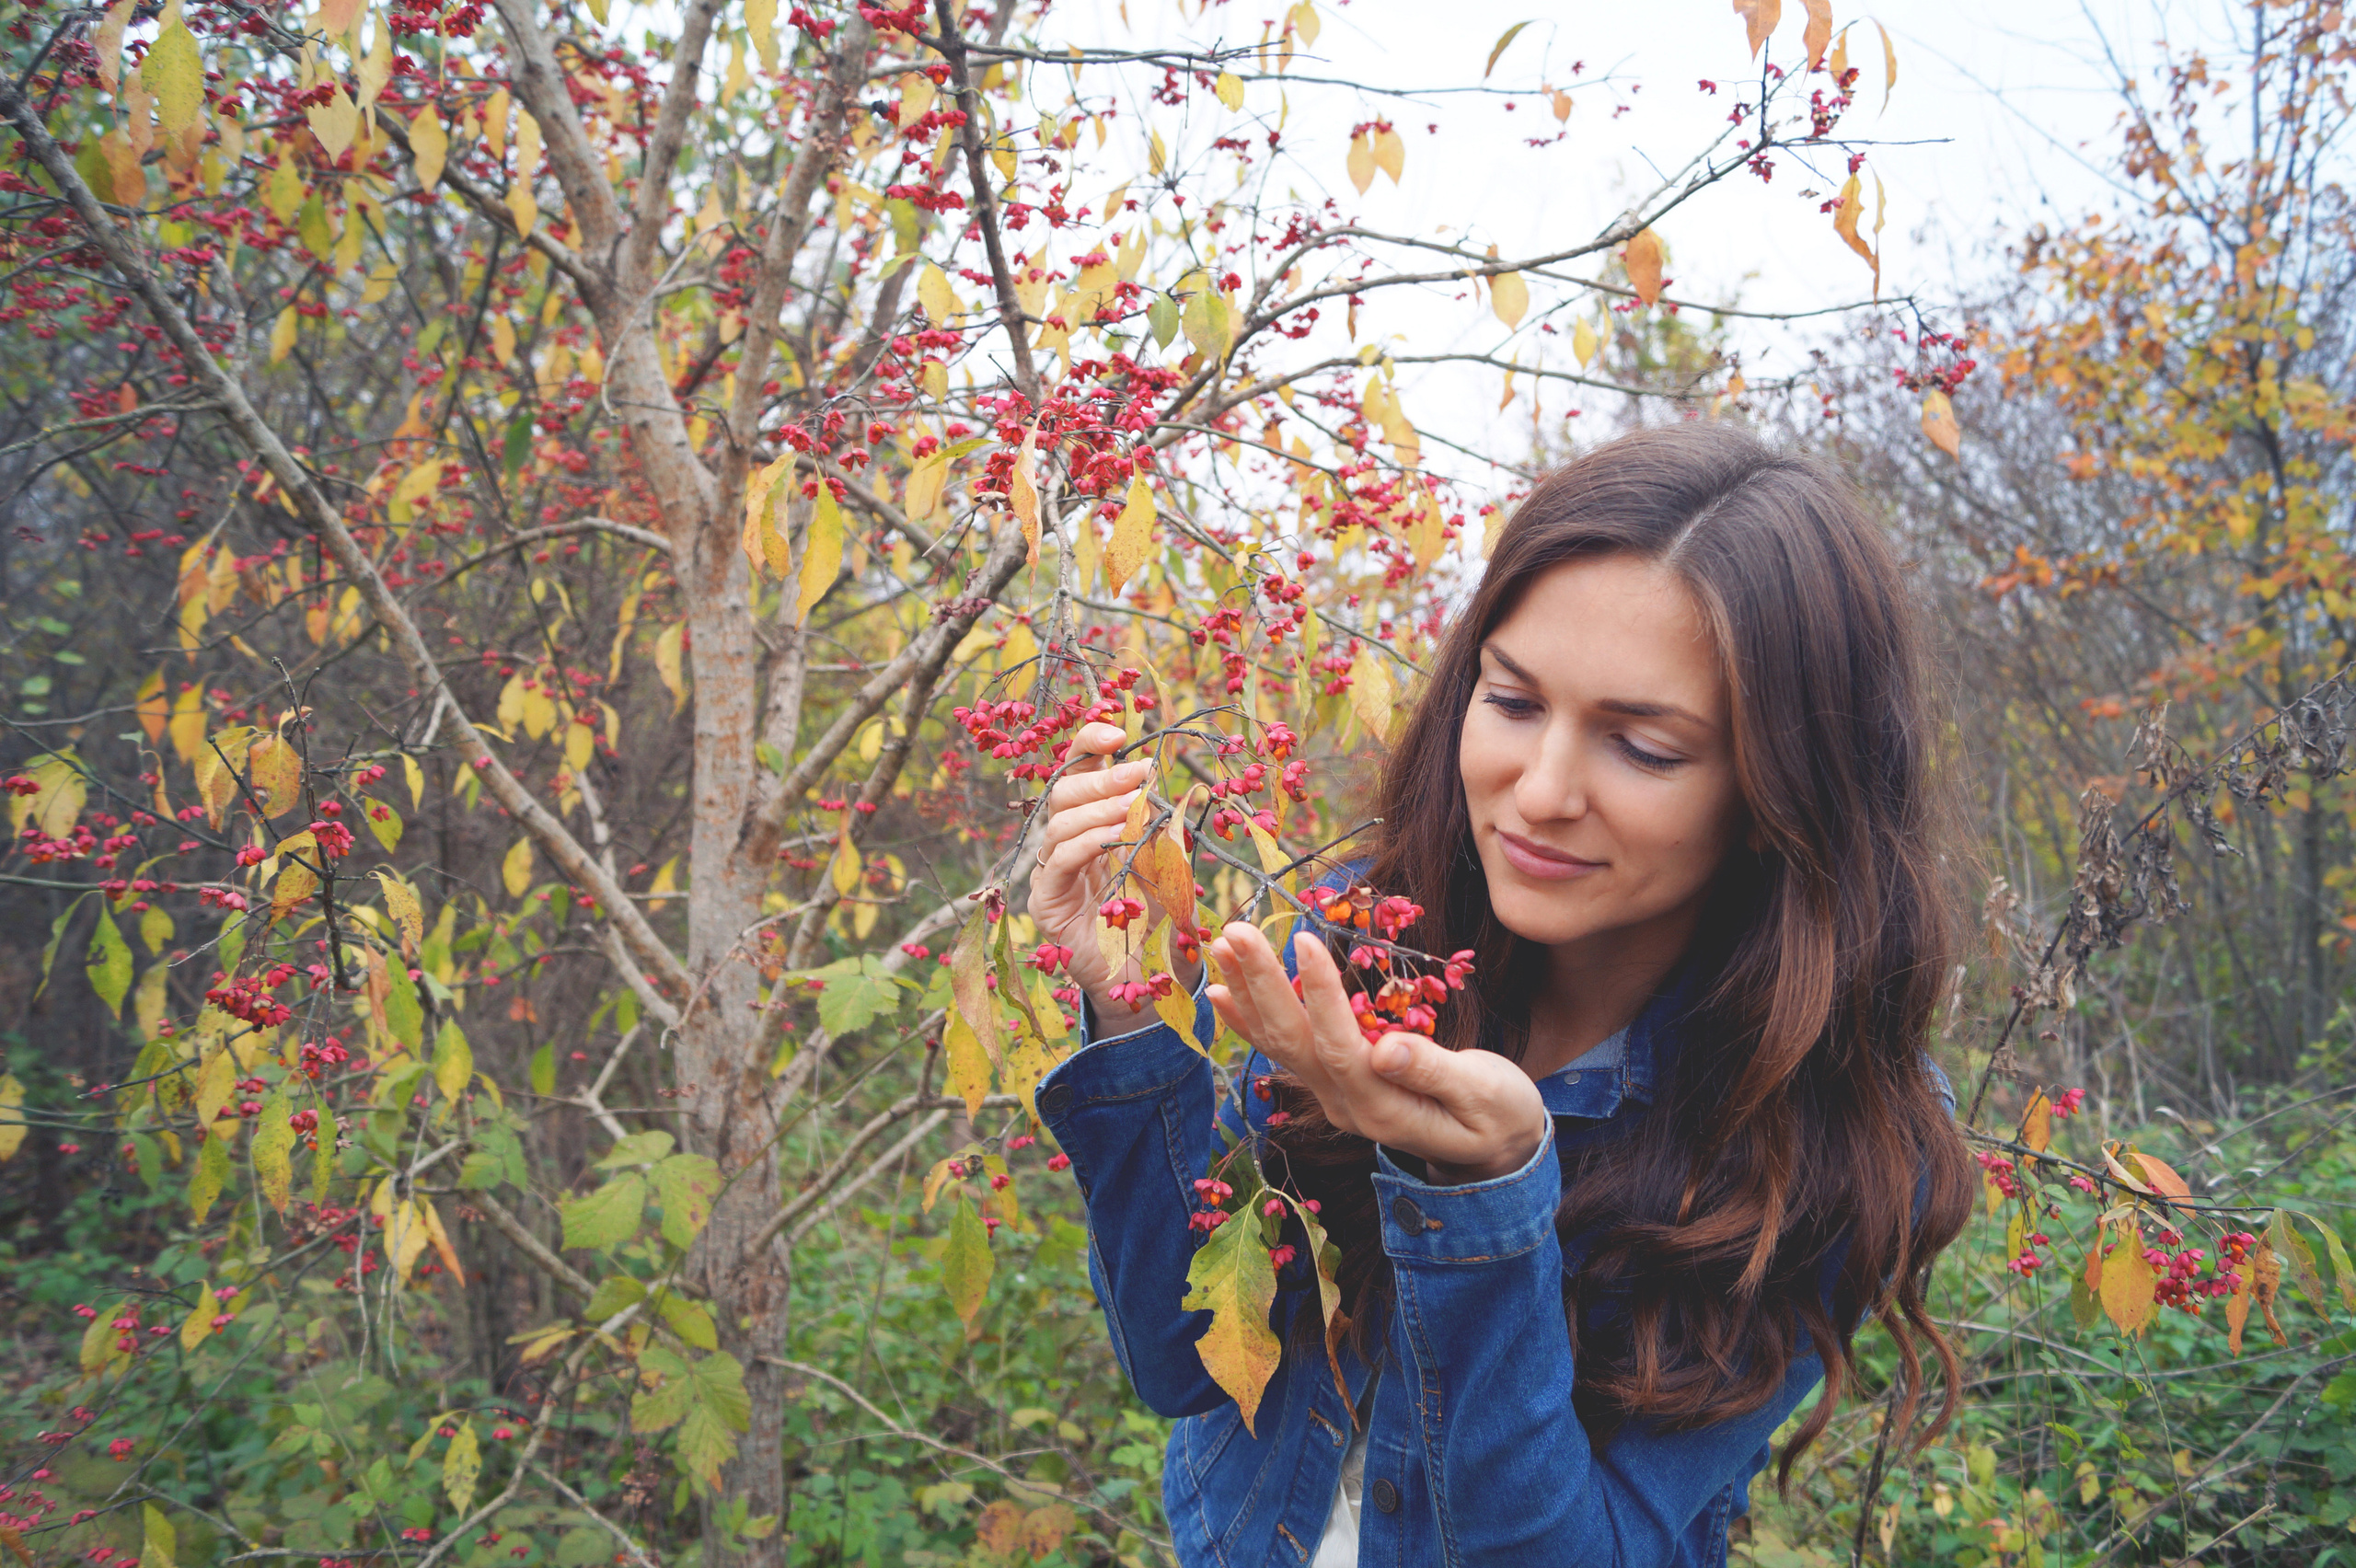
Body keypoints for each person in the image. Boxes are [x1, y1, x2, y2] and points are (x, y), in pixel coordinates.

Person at [1025, 422, 1976, 1567]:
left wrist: (1483, 1199)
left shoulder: (1833, 1131)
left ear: (1783, 790)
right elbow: (1185, 1359)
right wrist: (1126, 1008)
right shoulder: (1373, 949)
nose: (1539, 792)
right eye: (1514, 703)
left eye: (1645, 748)